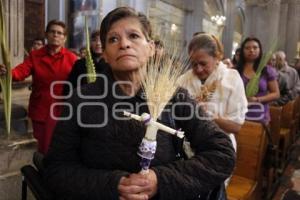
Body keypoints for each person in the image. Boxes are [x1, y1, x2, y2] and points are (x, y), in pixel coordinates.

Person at [43, 7, 235, 200]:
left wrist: (160, 179)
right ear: (106, 55)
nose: (124, 44)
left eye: (133, 36)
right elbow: (56, 168)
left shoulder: (174, 96)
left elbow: (222, 153)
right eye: (113, 39)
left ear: (151, 48)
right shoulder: (82, 99)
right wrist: (112, 184)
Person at [0, 20, 77, 154]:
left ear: (64, 38)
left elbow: (81, 82)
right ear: (46, 35)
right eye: (52, 32)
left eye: (59, 33)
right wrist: (8, 72)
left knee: (60, 147)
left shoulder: (72, 59)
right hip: (41, 108)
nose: (55, 35)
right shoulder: (35, 56)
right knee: (43, 147)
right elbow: (20, 72)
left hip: (63, 110)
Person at [178, 33, 248, 153]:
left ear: (217, 57)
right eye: (194, 64)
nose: (198, 69)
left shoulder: (232, 79)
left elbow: (236, 126)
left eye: (203, 64)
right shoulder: (183, 80)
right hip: (186, 148)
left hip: (220, 147)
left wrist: (207, 115)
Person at [236, 37, 279, 124]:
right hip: (238, 114)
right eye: (247, 48)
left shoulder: (266, 70)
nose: (251, 50)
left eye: (255, 47)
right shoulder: (235, 70)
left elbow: (276, 94)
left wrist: (257, 99)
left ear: (260, 50)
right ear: (242, 51)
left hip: (259, 114)